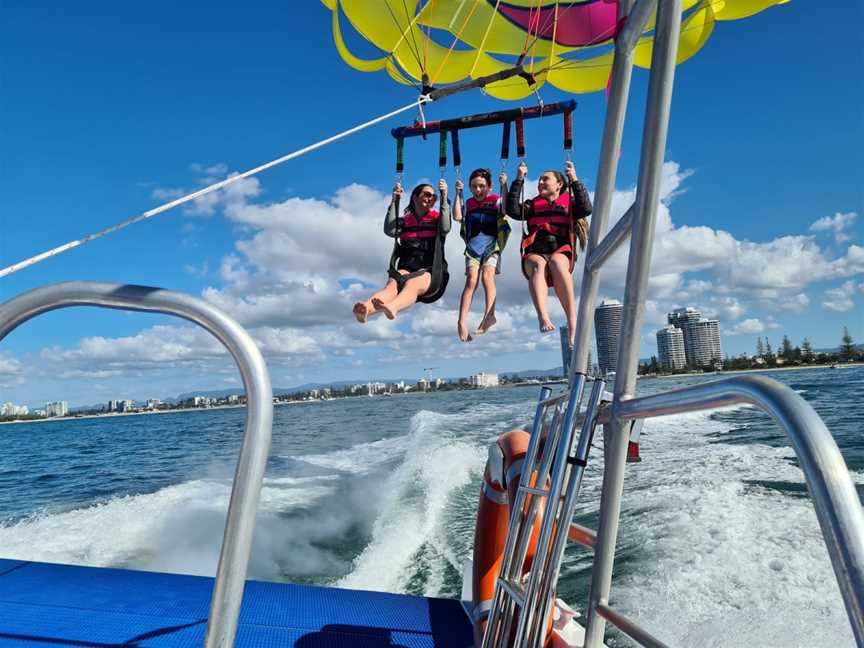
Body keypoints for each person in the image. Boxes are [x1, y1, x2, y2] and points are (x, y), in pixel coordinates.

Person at [503, 160, 591, 345]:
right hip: (535, 251)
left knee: (557, 263)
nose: (540, 182)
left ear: (559, 184)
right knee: (539, 265)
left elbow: (586, 209)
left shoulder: (570, 203)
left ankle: (573, 321)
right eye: (540, 180)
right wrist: (519, 179)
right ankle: (543, 317)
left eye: (545, 179)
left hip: (561, 250)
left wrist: (574, 179)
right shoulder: (533, 205)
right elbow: (512, 210)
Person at [353, 179, 451, 322]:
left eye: (433, 196)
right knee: (392, 285)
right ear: (415, 197)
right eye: (427, 194)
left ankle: (393, 307)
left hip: (431, 271)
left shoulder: (437, 219)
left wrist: (444, 196)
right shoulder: (405, 221)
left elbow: (445, 228)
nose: (431, 198)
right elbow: (390, 230)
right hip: (407, 267)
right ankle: (365, 309)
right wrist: (394, 200)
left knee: (413, 283)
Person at [453, 168, 510, 342]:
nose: (478, 190)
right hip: (473, 248)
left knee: (487, 277)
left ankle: (489, 316)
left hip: (492, 245)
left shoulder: (495, 200)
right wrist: (458, 193)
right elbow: (457, 217)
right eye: (474, 187)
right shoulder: (468, 203)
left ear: (489, 187)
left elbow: (506, 209)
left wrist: (504, 186)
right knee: (471, 281)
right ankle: (461, 322)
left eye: (482, 186)